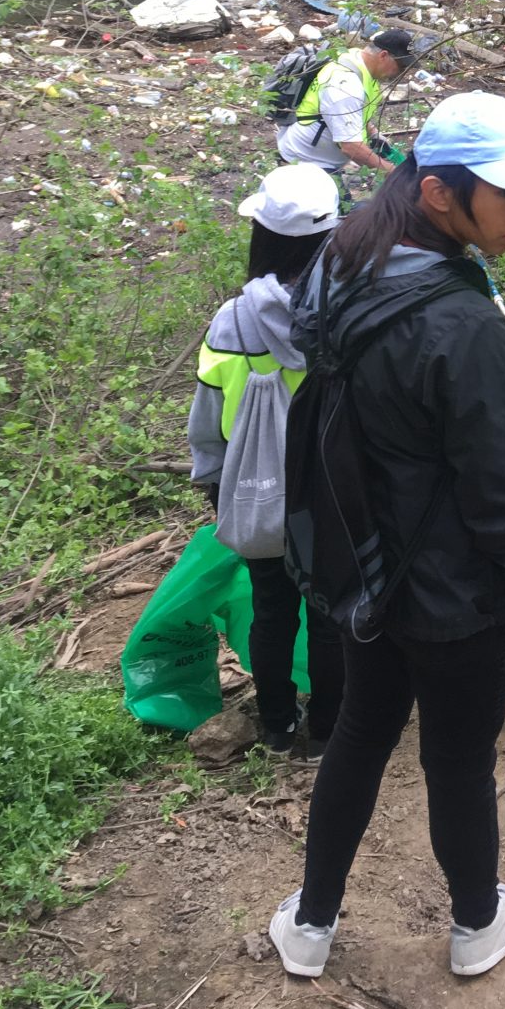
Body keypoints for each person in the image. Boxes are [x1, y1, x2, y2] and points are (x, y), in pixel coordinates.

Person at [265, 93, 505, 984]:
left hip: (369, 571)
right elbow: (504, 503)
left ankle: (310, 927)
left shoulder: (351, 254)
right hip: (457, 593)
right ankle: (476, 925)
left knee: (360, 733)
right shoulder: (460, 324)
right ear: (437, 194)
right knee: (458, 759)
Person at [187, 164, 344, 755]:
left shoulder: (230, 323)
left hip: (258, 491)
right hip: (331, 495)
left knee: (272, 612)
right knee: (330, 617)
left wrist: (212, 482)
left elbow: (208, 418)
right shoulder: (344, 315)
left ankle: (277, 724)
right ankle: (328, 728)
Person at [275, 28, 416, 180]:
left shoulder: (359, 60)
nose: (402, 72)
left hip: (319, 159)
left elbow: (354, 111)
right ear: (383, 56)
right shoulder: (346, 85)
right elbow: (351, 147)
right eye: (401, 66)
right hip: (306, 161)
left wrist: (373, 133)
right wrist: (394, 172)